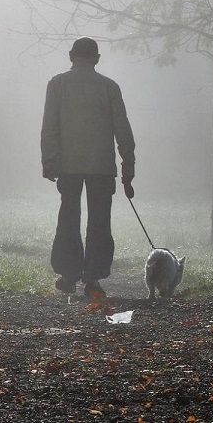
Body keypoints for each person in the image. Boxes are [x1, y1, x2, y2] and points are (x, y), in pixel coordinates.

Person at [40, 37, 136, 297]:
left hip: (68, 165)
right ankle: (93, 278)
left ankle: (68, 274)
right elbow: (122, 128)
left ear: (71, 56)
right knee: (100, 221)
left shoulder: (57, 84)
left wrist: (49, 160)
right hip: (101, 165)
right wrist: (128, 164)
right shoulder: (109, 87)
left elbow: (50, 126)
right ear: (97, 58)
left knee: (69, 217)